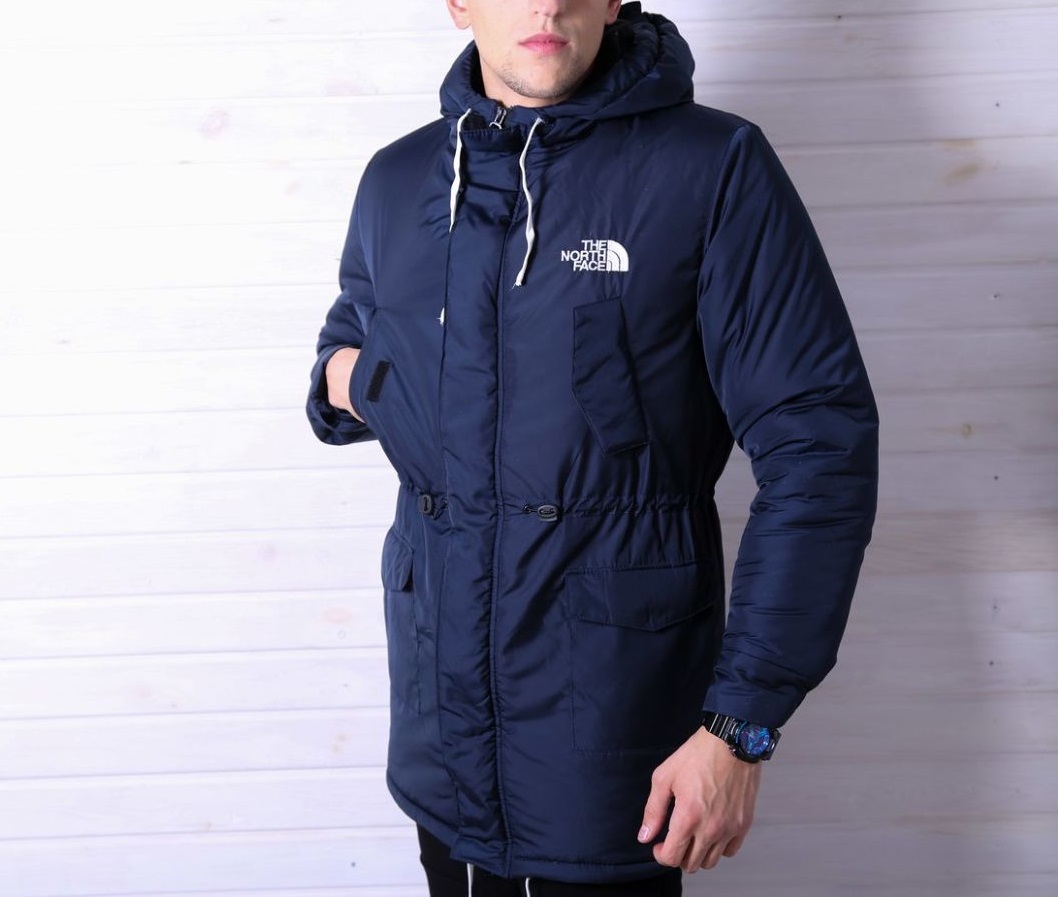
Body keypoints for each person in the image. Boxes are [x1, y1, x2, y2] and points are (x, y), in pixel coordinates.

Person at [306, 1, 879, 894]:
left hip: (617, 756)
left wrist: (742, 727)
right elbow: (345, 354)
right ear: (458, 3)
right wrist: (363, 380)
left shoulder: (711, 167)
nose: (545, 4)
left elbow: (819, 450)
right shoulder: (398, 178)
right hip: (439, 748)